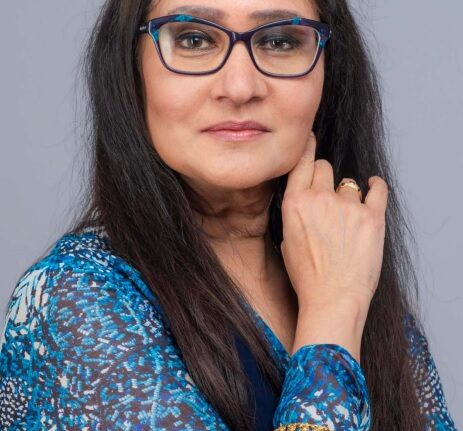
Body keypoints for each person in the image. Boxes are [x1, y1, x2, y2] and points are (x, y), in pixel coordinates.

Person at [0, 0, 458, 430]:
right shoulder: (73, 296)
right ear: (129, 69)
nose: (240, 88)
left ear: (330, 73)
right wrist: (333, 315)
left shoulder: (342, 265)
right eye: (194, 40)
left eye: (280, 40)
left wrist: (340, 295)